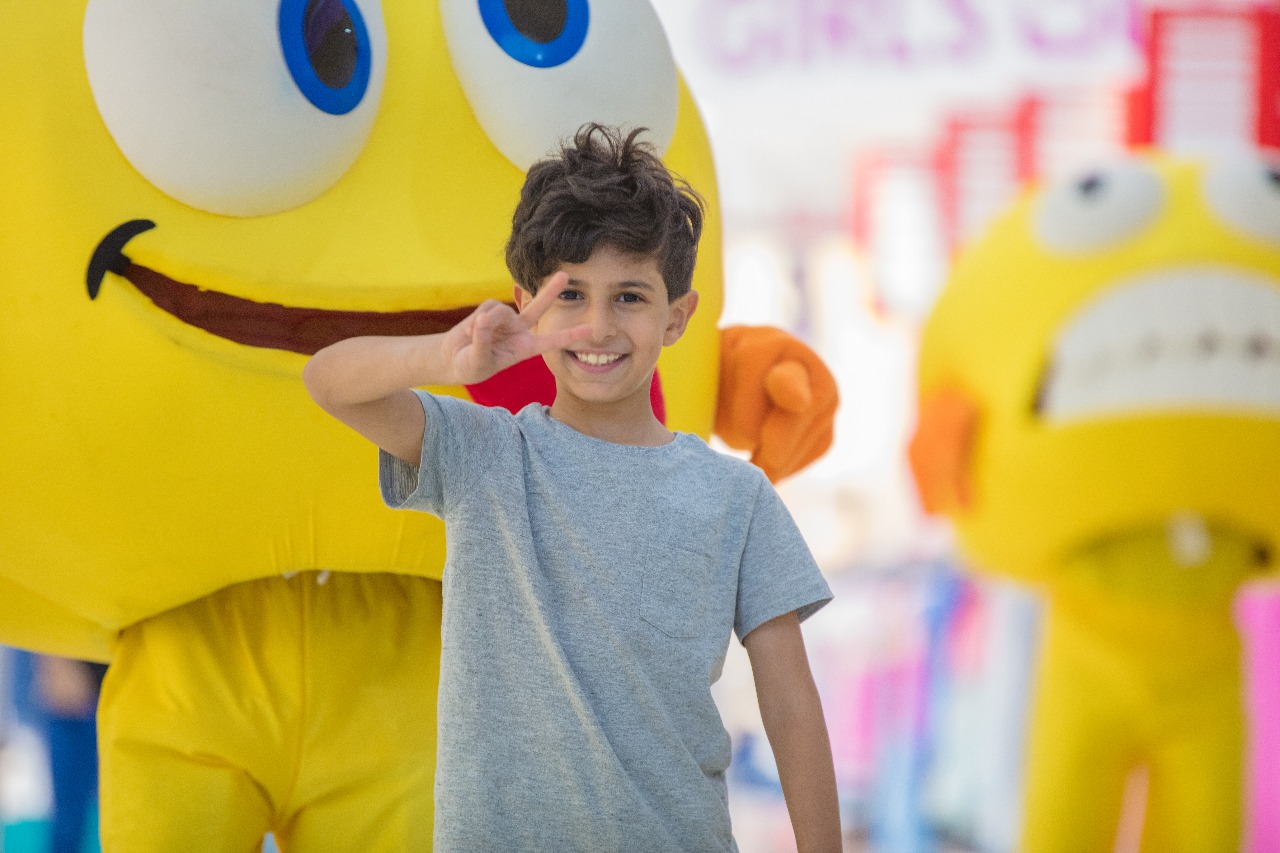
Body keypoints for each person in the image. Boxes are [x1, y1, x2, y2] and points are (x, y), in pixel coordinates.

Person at [303, 123, 841, 852]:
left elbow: (790, 703)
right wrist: (443, 355)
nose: (597, 325)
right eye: (571, 295)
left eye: (628, 296)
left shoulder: (736, 498)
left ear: (676, 316)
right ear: (528, 304)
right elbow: (327, 382)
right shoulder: (485, 454)